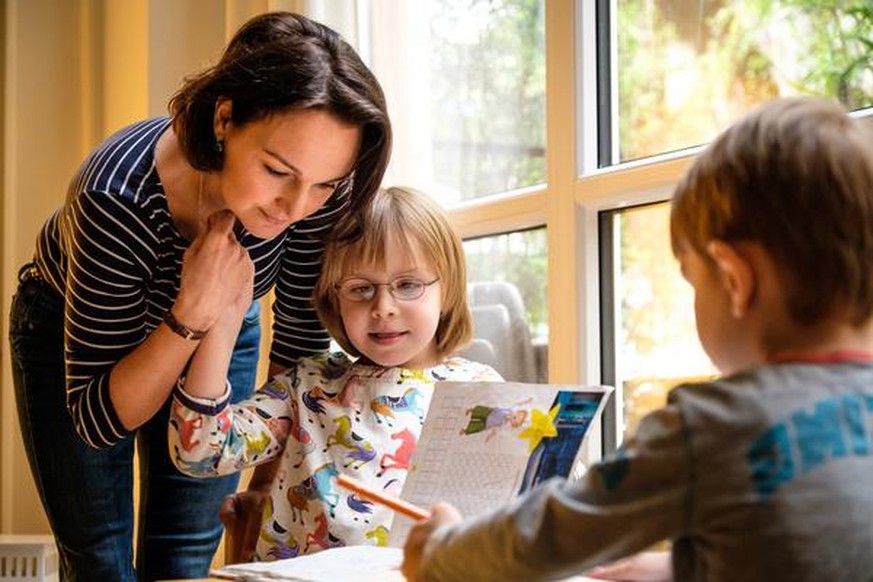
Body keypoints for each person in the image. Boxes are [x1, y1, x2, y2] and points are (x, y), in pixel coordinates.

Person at [401, 96, 873, 582]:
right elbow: (808, 548)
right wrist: (680, 569)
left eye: (693, 281)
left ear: (736, 279)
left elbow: (555, 533)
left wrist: (442, 550)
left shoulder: (712, 426)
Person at [8, 11, 391, 581]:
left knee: (185, 552)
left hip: (221, 330)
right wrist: (192, 312)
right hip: (72, 334)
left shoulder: (320, 193)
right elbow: (99, 421)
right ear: (224, 118)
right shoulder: (114, 197)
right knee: (101, 561)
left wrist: (265, 487)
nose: (295, 206)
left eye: (324, 185)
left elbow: (297, 340)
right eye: (276, 170)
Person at [168, 186, 503, 561]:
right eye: (360, 289)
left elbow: (529, 508)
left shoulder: (481, 393)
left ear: (449, 290)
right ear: (334, 299)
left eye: (408, 285)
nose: (383, 307)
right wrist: (226, 319)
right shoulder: (306, 387)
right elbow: (198, 451)